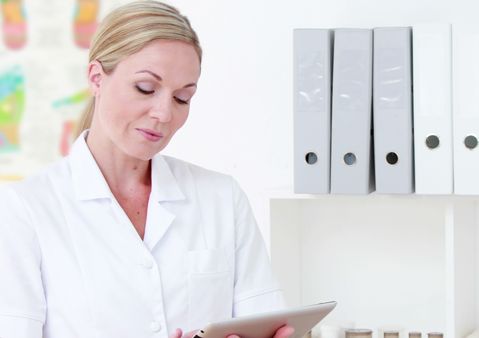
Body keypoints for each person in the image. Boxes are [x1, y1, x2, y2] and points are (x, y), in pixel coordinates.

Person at [0, 2, 293, 338]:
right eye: (146, 88)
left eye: (182, 98)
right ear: (97, 78)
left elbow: (266, 325)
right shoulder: (25, 209)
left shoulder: (222, 198)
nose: (164, 113)